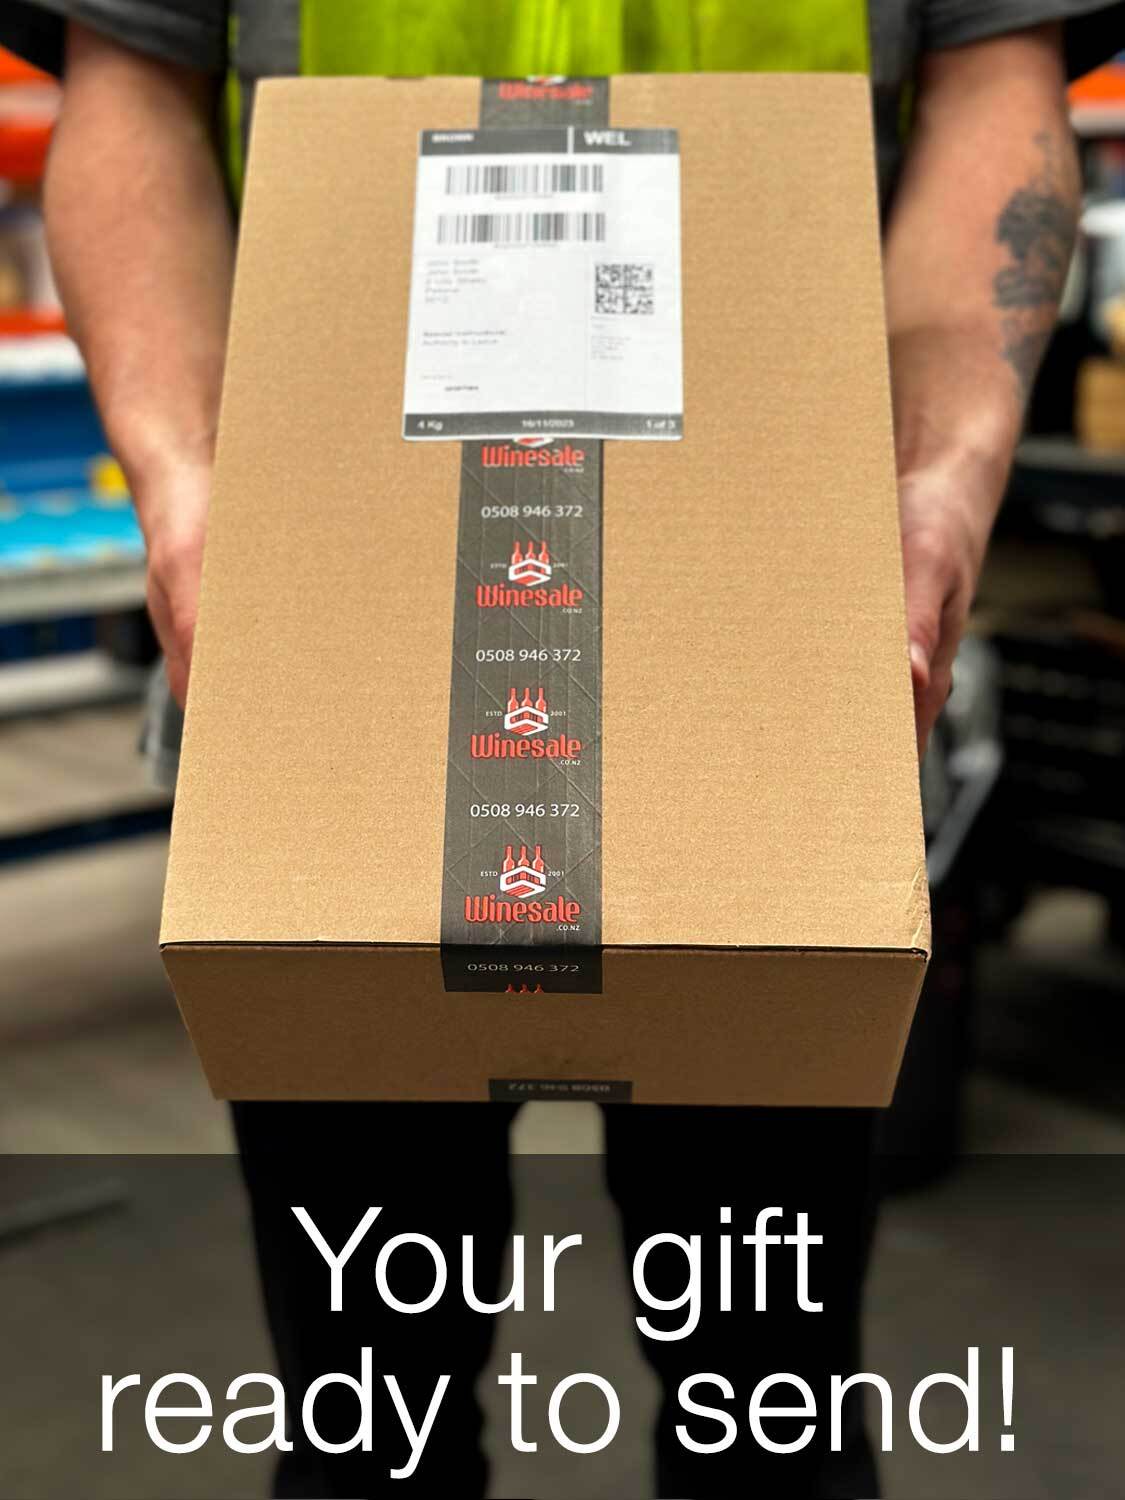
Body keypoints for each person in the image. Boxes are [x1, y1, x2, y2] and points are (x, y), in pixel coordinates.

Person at [2, 2, 1118, 1495]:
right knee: (366, 1424)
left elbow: (996, 72)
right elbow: (130, 78)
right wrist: (188, 481)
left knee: (767, 1416)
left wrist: (945, 477)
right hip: (336, 629)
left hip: (771, 638)